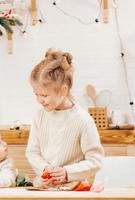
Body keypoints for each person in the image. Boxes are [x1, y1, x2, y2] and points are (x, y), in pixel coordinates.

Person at [26, 49, 104, 187]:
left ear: (63, 90)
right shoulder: (40, 116)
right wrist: (45, 168)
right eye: (36, 94)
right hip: (43, 188)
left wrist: (67, 172)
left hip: (73, 190)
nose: (39, 100)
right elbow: (32, 152)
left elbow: (95, 161)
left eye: (44, 95)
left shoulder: (83, 120)